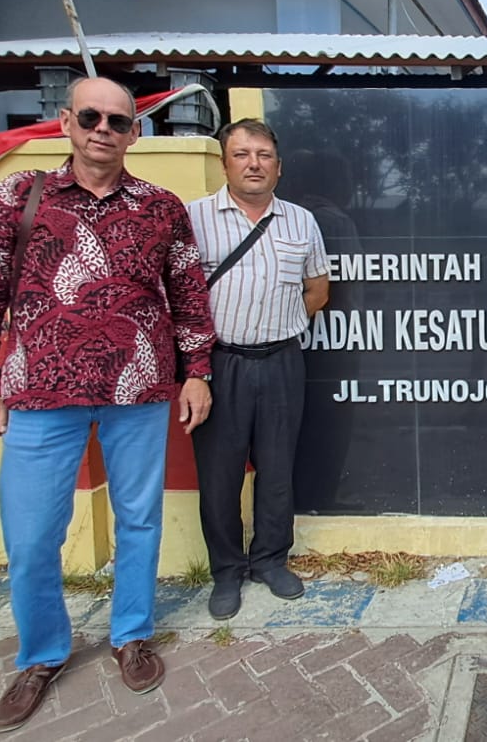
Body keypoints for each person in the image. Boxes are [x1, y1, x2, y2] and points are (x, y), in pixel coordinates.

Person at [0, 77, 216, 731]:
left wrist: (197, 370)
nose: (104, 129)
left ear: (135, 133)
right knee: (34, 536)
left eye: (118, 121)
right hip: (41, 393)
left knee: (139, 522)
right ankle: (41, 655)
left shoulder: (161, 207)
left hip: (138, 390)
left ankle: (131, 635)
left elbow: (187, 294)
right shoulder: (18, 196)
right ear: (66, 121)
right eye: (91, 116)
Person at [186, 119, 330, 619]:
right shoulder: (195, 218)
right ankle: (226, 571)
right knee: (220, 476)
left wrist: (280, 324)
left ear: (279, 166)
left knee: (277, 471)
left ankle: (270, 559)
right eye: (242, 154)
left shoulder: (300, 222)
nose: (254, 163)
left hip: (282, 361)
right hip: (218, 365)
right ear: (225, 162)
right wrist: (195, 370)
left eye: (264, 154)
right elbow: (179, 298)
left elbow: (318, 290)